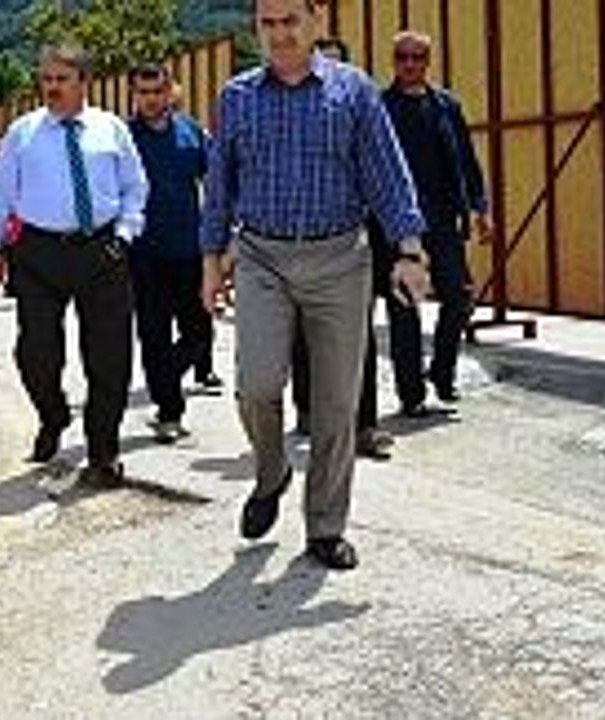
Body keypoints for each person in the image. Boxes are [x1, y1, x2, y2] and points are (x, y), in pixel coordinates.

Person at [201, 0, 430, 570]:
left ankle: (326, 526)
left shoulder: (353, 92)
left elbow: (386, 174)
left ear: (317, 19)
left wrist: (409, 249)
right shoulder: (237, 97)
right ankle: (271, 470)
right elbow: (220, 184)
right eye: (267, 23)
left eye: (290, 21)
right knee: (256, 385)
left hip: (340, 261)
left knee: (335, 403)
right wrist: (211, 262)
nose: (278, 35)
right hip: (262, 258)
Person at [0, 45, 149, 487]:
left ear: (84, 82)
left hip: (101, 250)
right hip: (38, 253)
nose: (52, 87)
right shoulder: (22, 133)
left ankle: (103, 451)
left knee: (109, 356)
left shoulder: (111, 129)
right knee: (35, 353)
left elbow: (135, 188)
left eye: (62, 79)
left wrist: (125, 235)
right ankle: (52, 415)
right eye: (46, 79)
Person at [288, 36, 394, 461]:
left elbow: (384, 173)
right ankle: (307, 408)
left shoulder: (360, 108)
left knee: (357, 335)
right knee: (302, 332)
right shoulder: (285, 113)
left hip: (351, 241)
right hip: (295, 243)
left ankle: (364, 425)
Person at [382, 30, 492, 416]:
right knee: (404, 307)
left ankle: (442, 373)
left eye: (418, 58)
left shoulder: (446, 106)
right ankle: (411, 395)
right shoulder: (380, 107)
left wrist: (480, 208)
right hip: (398, 224)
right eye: (403, 57)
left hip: (443, 219)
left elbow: (466, 160)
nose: (410, 64)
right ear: (394, 61)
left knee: (460, 297)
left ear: (428, 62)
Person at [126, 63, 214, 444]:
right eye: (143, 92)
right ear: (134, 94)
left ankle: (164, 379)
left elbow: (214, 180)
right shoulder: (124, 138)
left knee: (199, 334)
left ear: (169, 91)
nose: (150, 99)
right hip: (143, 254)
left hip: (190, 250)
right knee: (154, 335)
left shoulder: (191, 131)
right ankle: (169, 411)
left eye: (157, 91)